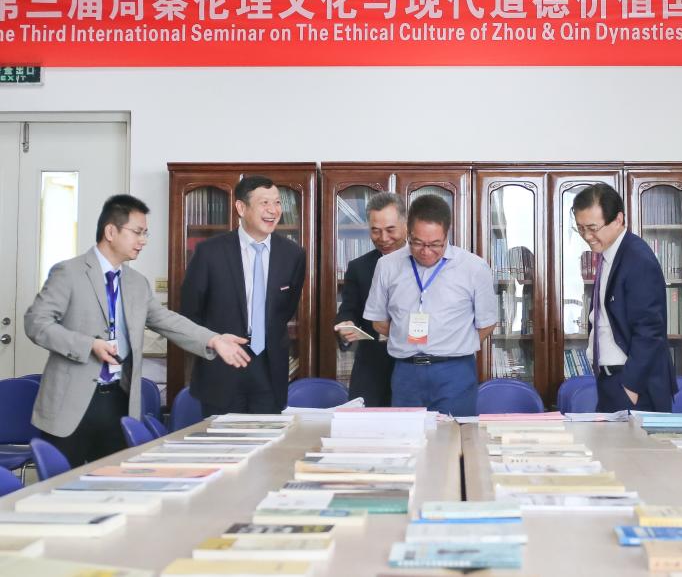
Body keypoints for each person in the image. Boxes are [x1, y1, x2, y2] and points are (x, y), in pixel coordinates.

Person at [24, 195, 250, 467]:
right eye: (137, 232)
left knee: (114, 484)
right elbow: (36, 322)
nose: (143, 240)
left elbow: (166, 320)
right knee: (61, 485)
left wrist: (213, 339)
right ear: (111, 231)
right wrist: (88, 345)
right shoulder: (69, 272)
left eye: (145, 233)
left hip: (118, 402)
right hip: (69, 406)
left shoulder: (136, 283)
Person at [180, 176, 306, 417]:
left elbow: (285, 310)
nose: (273, 210)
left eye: (277, 202)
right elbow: (189, 311)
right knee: (223, 439)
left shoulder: (293, 255)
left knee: (268, 437)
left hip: (269, 369)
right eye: (264, 203)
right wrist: (214, 342)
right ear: (241, 207)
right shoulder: (209, 252)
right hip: (222, 366)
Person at [363, 194, 496, 416]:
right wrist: (404, 334)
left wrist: (453, 342)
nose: (426, 251)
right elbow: (378, 321)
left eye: (435, 244)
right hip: (406, 373)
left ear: (447, 234)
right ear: (408, 231)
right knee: (407, 435)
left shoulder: (474, 268)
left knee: (457, 434)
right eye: (417, 243)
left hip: (455, 372)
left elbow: (487, 323)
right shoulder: (387, 266)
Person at [571, 183, 677, 413]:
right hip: (611, 378)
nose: (587, 236)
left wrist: (630, 386)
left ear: (618, 220)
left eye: (593, 228)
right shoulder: (609, 254)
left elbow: (650, 330)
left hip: (633, 384)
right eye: (580, 228)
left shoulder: (637, 259)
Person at [334, 192, 407, 407]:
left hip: (412, 368)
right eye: (375, 230)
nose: (383, 238)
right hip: (371, 370)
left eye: (390, 230)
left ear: (406, 225)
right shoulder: (359, 267)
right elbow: (348, 309)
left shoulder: (423, 262)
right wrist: (345, 325)